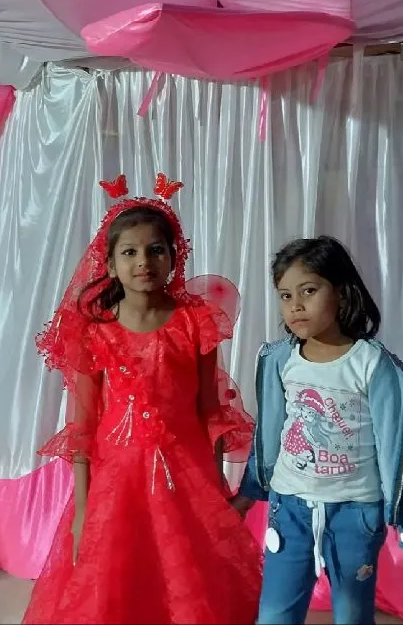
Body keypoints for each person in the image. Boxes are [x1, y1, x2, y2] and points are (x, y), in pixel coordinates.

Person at [23, 173, 262, 625]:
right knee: (118, 576)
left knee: (187, 576)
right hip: (118, 482)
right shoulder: (95, 333)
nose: (143, 261)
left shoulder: (195, 323)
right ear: (110, 263)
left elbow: (210, 410)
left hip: (185, 477)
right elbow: (83, 426)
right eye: (129, 252)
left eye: (156, 249)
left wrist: (215, 484)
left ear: (174, 256)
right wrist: (82, 511)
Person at [232, 236, 403, 625]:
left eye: (309, 291)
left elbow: (396, 441)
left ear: (341, 294)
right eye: (285, 295)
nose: (295, 305)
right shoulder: (280, 360)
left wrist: (398, 513)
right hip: (289, 507)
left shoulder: (373, 364)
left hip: (355, 511)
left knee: (352, 614)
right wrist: (246, 497)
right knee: (276, 612)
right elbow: (270, 432)